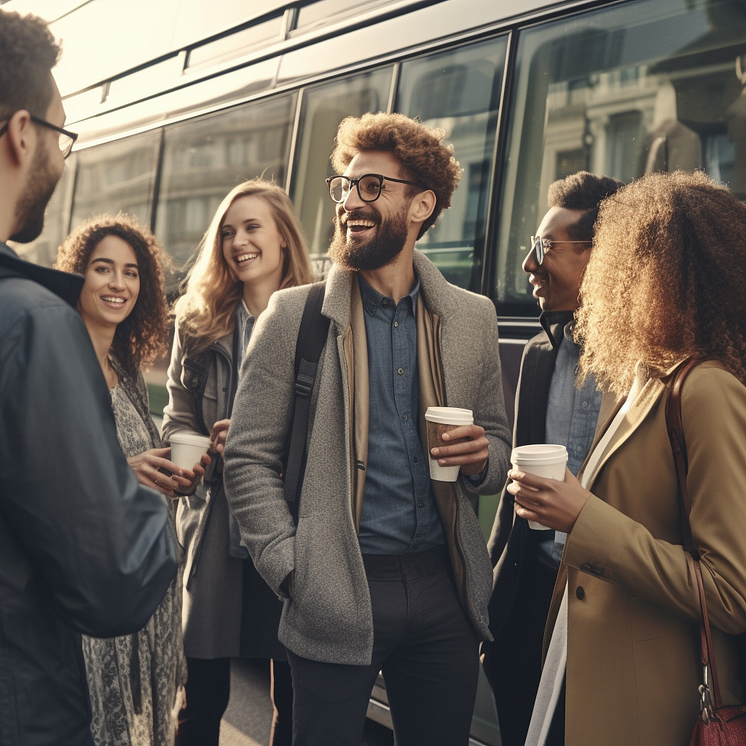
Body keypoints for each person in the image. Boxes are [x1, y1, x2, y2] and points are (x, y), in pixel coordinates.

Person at [223, 112, 512, 746]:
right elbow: (245, 458)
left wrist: (483, 455)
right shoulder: (293, 315)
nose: (350, 202)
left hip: (446, 594)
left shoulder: (472, 318)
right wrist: (293, 570)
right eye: (344, 187)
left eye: (372, 187)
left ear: (422, 205)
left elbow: (499, 451)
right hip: (335, 586)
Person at [508, 170, 746, 746]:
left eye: (619, 259)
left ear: (661, 272)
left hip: (656, 700)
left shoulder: (708, 389)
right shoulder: (647, 374)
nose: (607, 278)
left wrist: (582, 517)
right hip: (586, 666)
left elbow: (731, 594)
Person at [0, 10, 177, 746]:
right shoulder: (33, 323)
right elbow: (118, 579)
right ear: (20, 133)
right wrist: (131, 496)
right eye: (62, 135)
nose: (62, 158)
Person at [162, 179, 314, 746]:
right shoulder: (196, 323)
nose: (238, 242)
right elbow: (176, 419)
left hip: (292, 529)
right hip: (218, 532)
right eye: (228, 231)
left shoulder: (319, 320)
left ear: (282, 239)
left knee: (294, 701)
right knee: (201, 702)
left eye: (252, 228)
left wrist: (263, 444)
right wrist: (204, 445)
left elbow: (336, 424)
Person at [482, 171, 623, 746]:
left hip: (609, 608)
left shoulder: (656, 369)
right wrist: (488, 602)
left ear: (604, 256)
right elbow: (512, 503)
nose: (528, 265)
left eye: (546, 248)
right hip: (529, 603)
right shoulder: (540, 355)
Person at [55, 214, 194, 746]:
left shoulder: (126, 365)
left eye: (131, 272)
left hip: (146, 579)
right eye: (103, 269)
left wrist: (174, 472)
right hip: (90, 588)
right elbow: (39, 475)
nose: (118, 284)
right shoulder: (57, 362)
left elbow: (141, 460)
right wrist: (121, 473)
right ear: (77, 276)